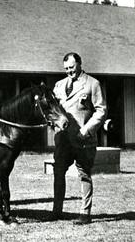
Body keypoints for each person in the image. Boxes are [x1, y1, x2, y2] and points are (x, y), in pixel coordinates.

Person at [51, 52, 107, 225]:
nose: (69, 71)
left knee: (84, 174)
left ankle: (85, 213)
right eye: (66, 68)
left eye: (72, 67)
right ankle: (57, 211)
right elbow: (53, 110)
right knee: (58, 172)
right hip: (63, 141)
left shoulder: (92, 84)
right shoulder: (59, 85)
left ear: (80, 64)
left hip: (83, 140)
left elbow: (101, 111)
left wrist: (86, 130)